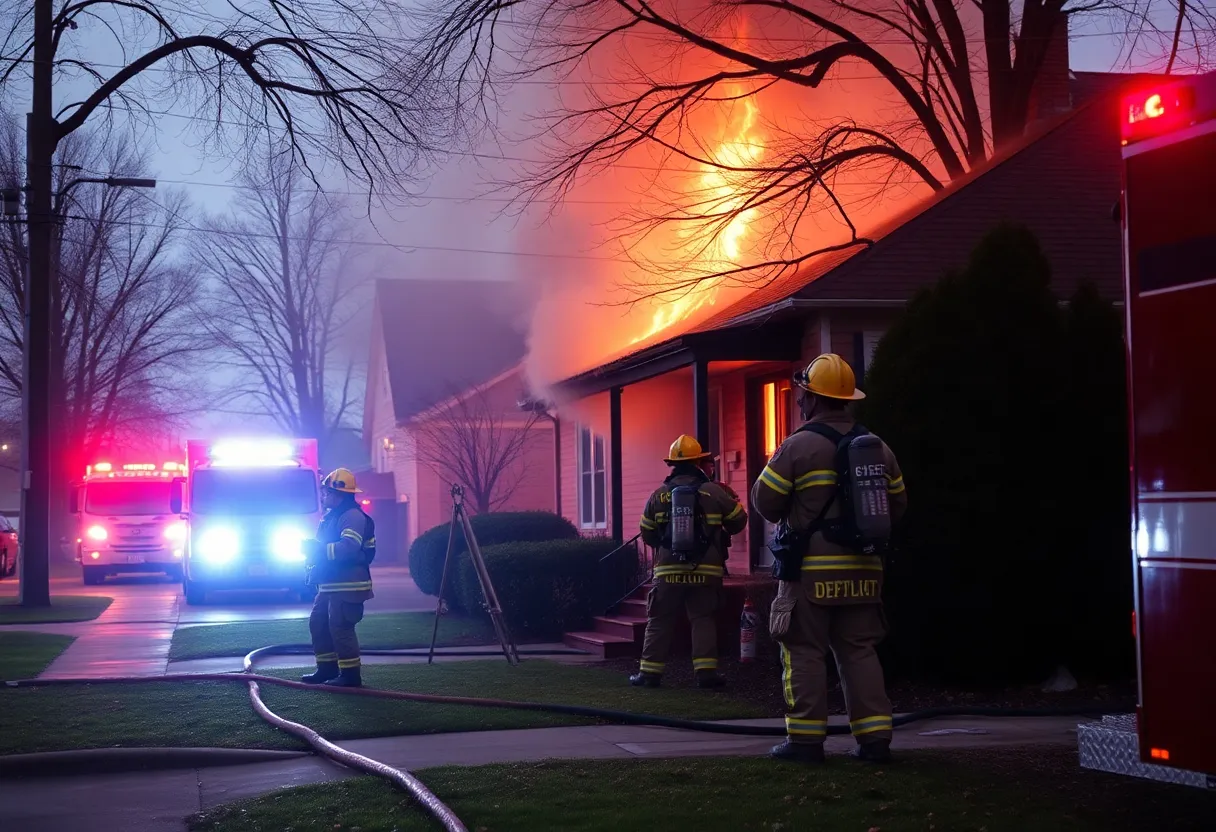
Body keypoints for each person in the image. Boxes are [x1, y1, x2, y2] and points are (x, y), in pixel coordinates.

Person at [751, 354, 908, 763]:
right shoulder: (878, 448)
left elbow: (764, 501)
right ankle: (875, 741)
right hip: (866, 571)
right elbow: (898, 506)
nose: (800, 400)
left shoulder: (798, 445)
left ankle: (804, 742)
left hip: (810, 575)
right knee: (859, 650)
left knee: (802, 651)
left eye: (803, 393)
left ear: (813, 398)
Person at [630, 435, 748, 689]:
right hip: (706, 570)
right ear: (698, 463)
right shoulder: (714, 492)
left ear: (672, 464)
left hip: (668, 571)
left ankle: (649, 674)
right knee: (703, 618)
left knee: (660, 619)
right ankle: (706, 675)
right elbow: (739, 521)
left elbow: (647, 533)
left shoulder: (658, 495)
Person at [301, 467, 376, 688]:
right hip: (331, 584)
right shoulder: (333, 516)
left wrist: (318, 551)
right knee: (319, 623)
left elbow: (350, 547)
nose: (324, 496)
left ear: (340, 494)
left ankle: (350, 675)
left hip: (348, 584)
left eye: (328, 493)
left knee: (340, 627)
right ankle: (326, 669)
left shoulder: (351, 516)